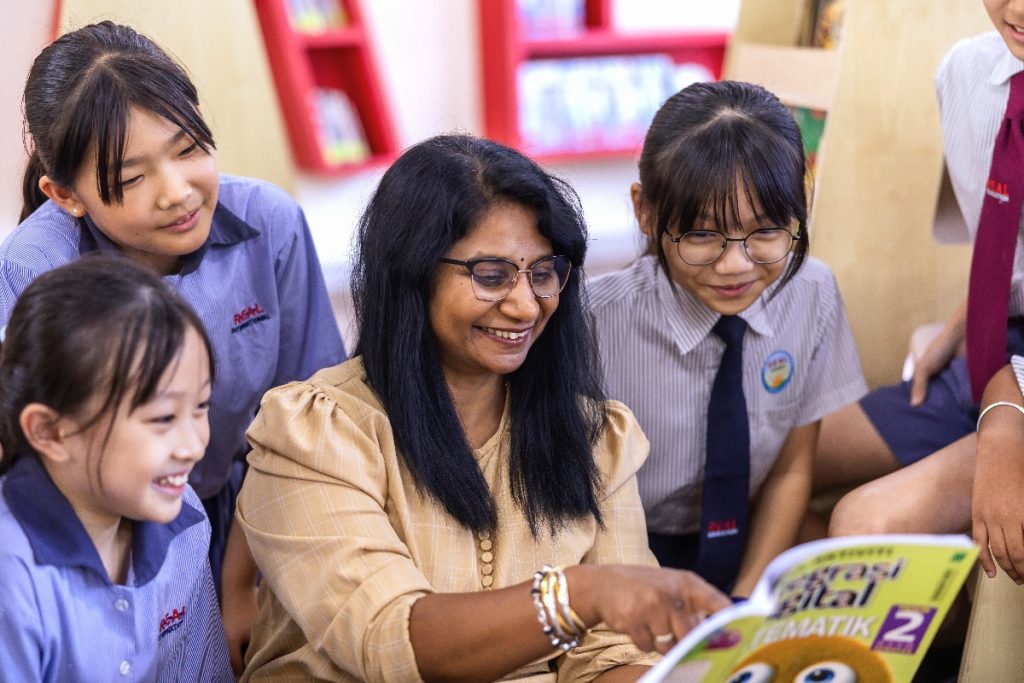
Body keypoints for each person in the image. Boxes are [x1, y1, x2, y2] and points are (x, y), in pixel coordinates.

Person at [235, 134, 731, 682]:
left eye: (543, 273)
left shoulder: (595, 436)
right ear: (413, 274)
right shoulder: (315, 433)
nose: (524, 305)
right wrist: (581, 593)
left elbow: (613, 659)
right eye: (491, 276)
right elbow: (386, 642)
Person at [6, 21, 346, 670]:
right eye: (130, 177)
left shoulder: (269, 224)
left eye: (189, 147)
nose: (178, 190)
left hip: (259, 518)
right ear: (64, 195)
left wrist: (239, 579)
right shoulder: (37, 266)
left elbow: (304, 421)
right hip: (109, 538)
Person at [589, 80, 867, 597]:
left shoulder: (812, 293)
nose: (735, 265)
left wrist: (744, 600)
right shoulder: (594, 323)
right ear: (645, 212)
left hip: (748, 534)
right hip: (617, 550)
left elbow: (791, 467)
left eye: (765, 232)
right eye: (701, 235)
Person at [818, 2, 1024, 562]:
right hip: (995, 354)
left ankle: (950, 637)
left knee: (860, 523)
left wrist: (1006, 418)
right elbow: (1006, 247)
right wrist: (965, 327)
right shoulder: (964, 73)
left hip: (1015, 389)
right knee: (785, 454)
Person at [0, 255, 232, 682]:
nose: (195, 444)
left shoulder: (184, 515)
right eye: (163, 418)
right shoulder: (11, 573)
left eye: (200, 407)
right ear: (49, 431)